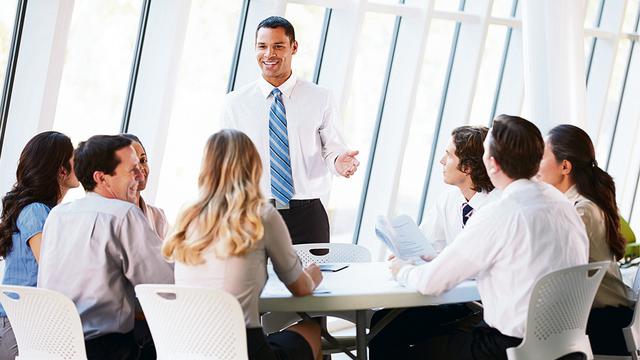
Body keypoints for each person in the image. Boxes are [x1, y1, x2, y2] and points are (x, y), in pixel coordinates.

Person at [388, 115, 589, 359]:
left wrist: (402, 270)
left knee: (397, 346)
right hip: (566, 346)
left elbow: (431, 283)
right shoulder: (563, 205)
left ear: (492, 164)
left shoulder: (500, 212)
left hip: (508, 348)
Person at [163, 129, 323, 360]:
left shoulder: (187, 216)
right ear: (253, 165)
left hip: (191, 349)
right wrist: (313, 275)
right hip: (244, 350)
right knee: (311, 330)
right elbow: (300, 288)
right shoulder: (260, 214)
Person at [222, 16, 359, 245]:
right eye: (262, 46)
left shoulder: (320, 98)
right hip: (253, 214)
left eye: (278, 46)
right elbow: (225, 163)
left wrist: (339, 163)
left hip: (307, 216)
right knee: (254, 281)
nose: (269, 54)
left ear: (294, 47)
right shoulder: (234, 104)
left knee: (312, 280)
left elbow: (332, 149)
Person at [37, 135, 173, 360]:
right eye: (132, 170)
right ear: (101, 178)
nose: (140, 176)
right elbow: (164, 284)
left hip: (54, 345)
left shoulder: (57, 214)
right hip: (104, 349)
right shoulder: (124, 215)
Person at [369, 125, 499, 358]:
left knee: (387, 328)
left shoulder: (497, 206)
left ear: (467, 167)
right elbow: (428, 245)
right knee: (384, 321)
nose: (441, 161)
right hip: (451, 291)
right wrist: (407, 256)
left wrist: (423, 266)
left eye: (448, 155)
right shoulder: (448, 199)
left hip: (484, 303)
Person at [537, 124, 634, 355]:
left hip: (604, 325)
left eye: (541, 156)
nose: (535, 164)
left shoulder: (581, 211)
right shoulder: (583, 204)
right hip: (610, 319)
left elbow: (549, 263)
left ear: (565, 166)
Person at [0, 131, 79, 359]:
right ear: (61, 170)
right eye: (74, 157)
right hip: (18, 326)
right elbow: (50, 267)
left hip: (23, 322)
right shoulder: (36, 211)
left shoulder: (45, 212)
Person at [121, 134, 169, 238]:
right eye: (132, 163)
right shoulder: (112, 217)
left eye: (143, 161)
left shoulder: (158, 217)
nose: (140, 168)